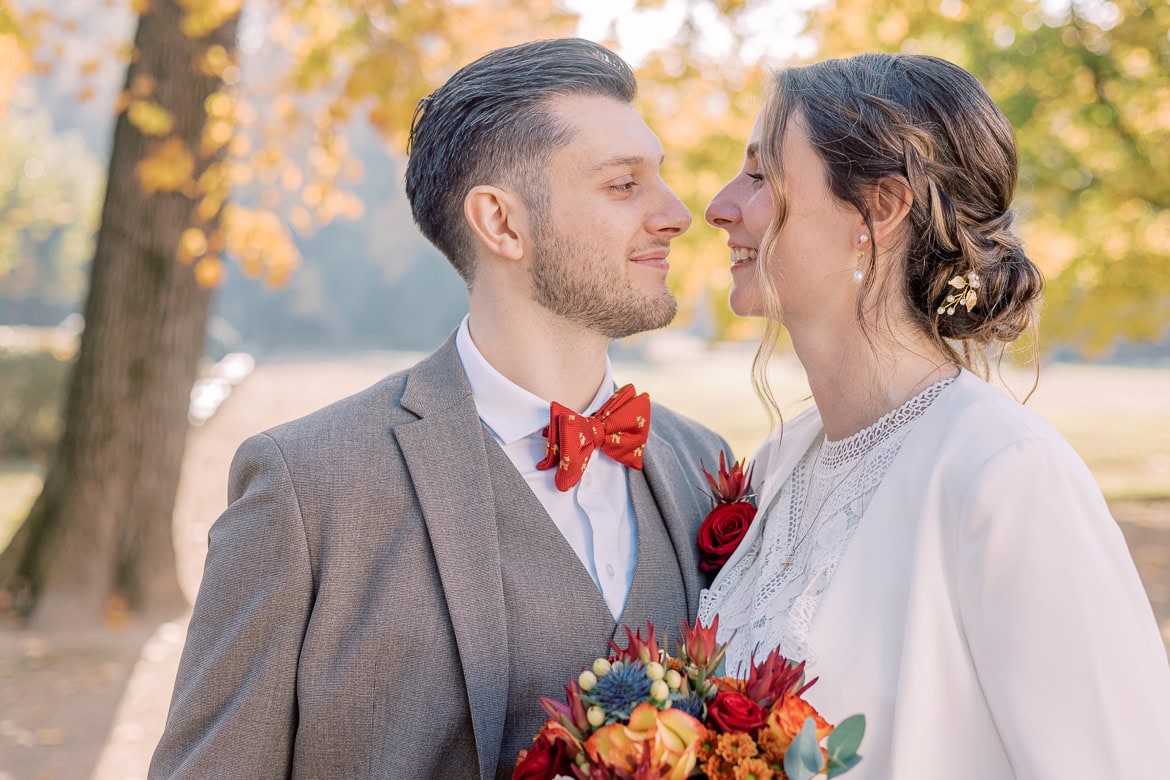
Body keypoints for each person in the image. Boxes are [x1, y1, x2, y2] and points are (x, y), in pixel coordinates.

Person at [149, 38, 730, 779]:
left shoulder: (706, 471)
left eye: (662, 179)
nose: (677, 214)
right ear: (501, 223)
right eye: (624, 185)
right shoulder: (307, 489)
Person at [698, 53, 1170, 779]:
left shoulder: (1003, 473)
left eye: (761, 176)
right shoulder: (780, 460)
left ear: (880, 210)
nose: (720, 205)